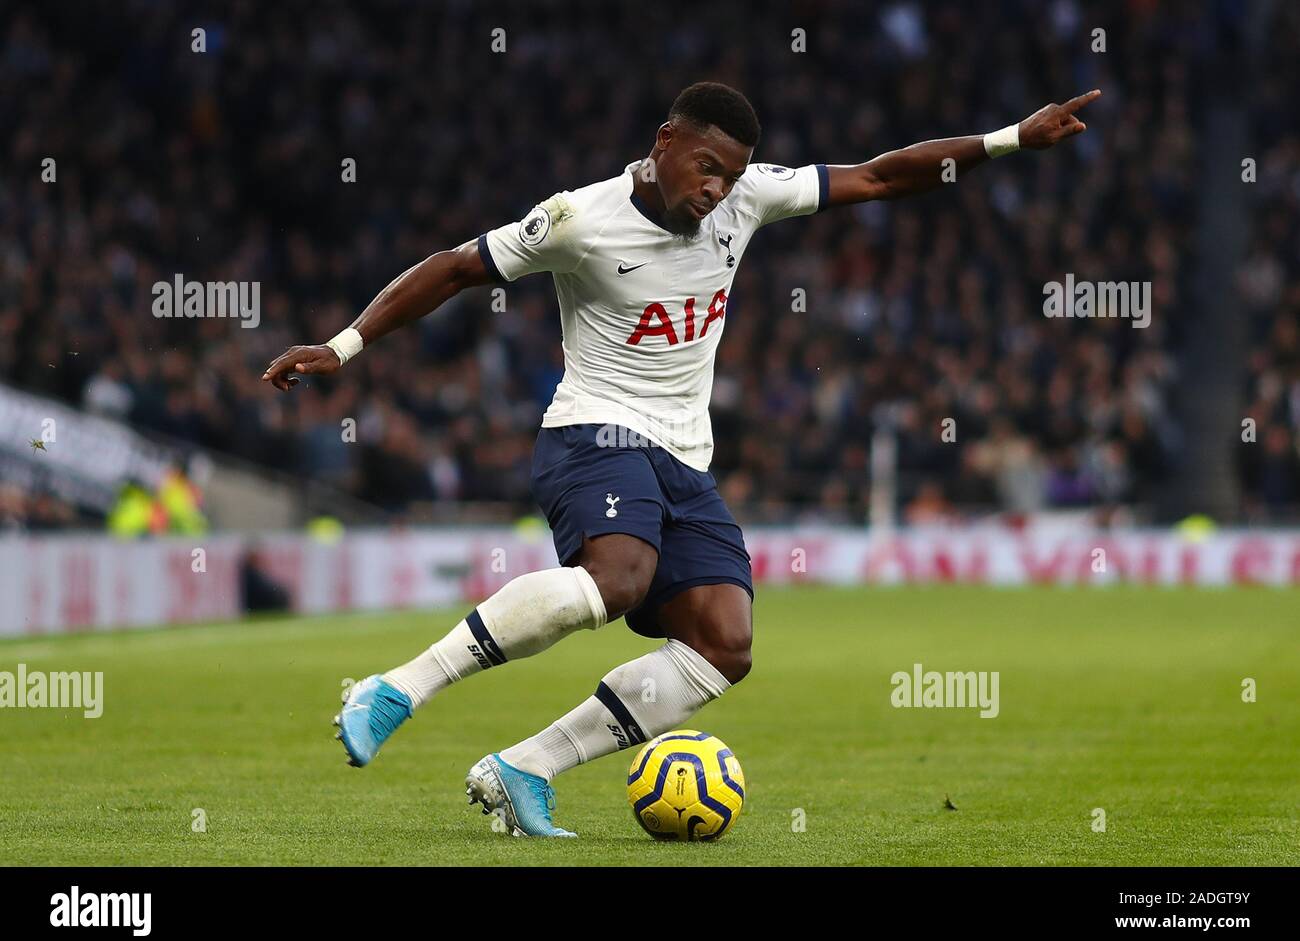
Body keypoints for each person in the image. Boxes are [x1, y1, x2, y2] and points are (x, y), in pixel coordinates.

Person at [263, 81, 1100, 836]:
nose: (717, 189)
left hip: (684, 458)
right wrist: (344, 346)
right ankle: (398, 688)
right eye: (706, 167)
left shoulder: (745, 202)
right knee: (618, 577)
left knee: (722, 646)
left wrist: (1008, 141)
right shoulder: (578, 220)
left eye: (731, 176)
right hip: (594, 432)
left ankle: (526, 768)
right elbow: (452, 270)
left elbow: (882, 176)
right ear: (665, 142)